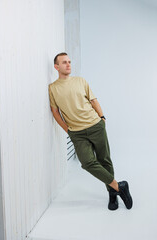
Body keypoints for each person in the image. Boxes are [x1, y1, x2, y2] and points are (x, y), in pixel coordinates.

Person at [48, 52, 133, 210]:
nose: (68, 64)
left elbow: (93, 100)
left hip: (95, 125)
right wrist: (68, 130)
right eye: (64, 62)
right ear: (56, 67)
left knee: (104, 160)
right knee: (87, 162)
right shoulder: (52, 88)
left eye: (69, 62)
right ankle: (119, 186)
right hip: (76, 133)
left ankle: (112, 195)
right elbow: (55, 112)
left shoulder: (80, 81)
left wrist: (102, 118)